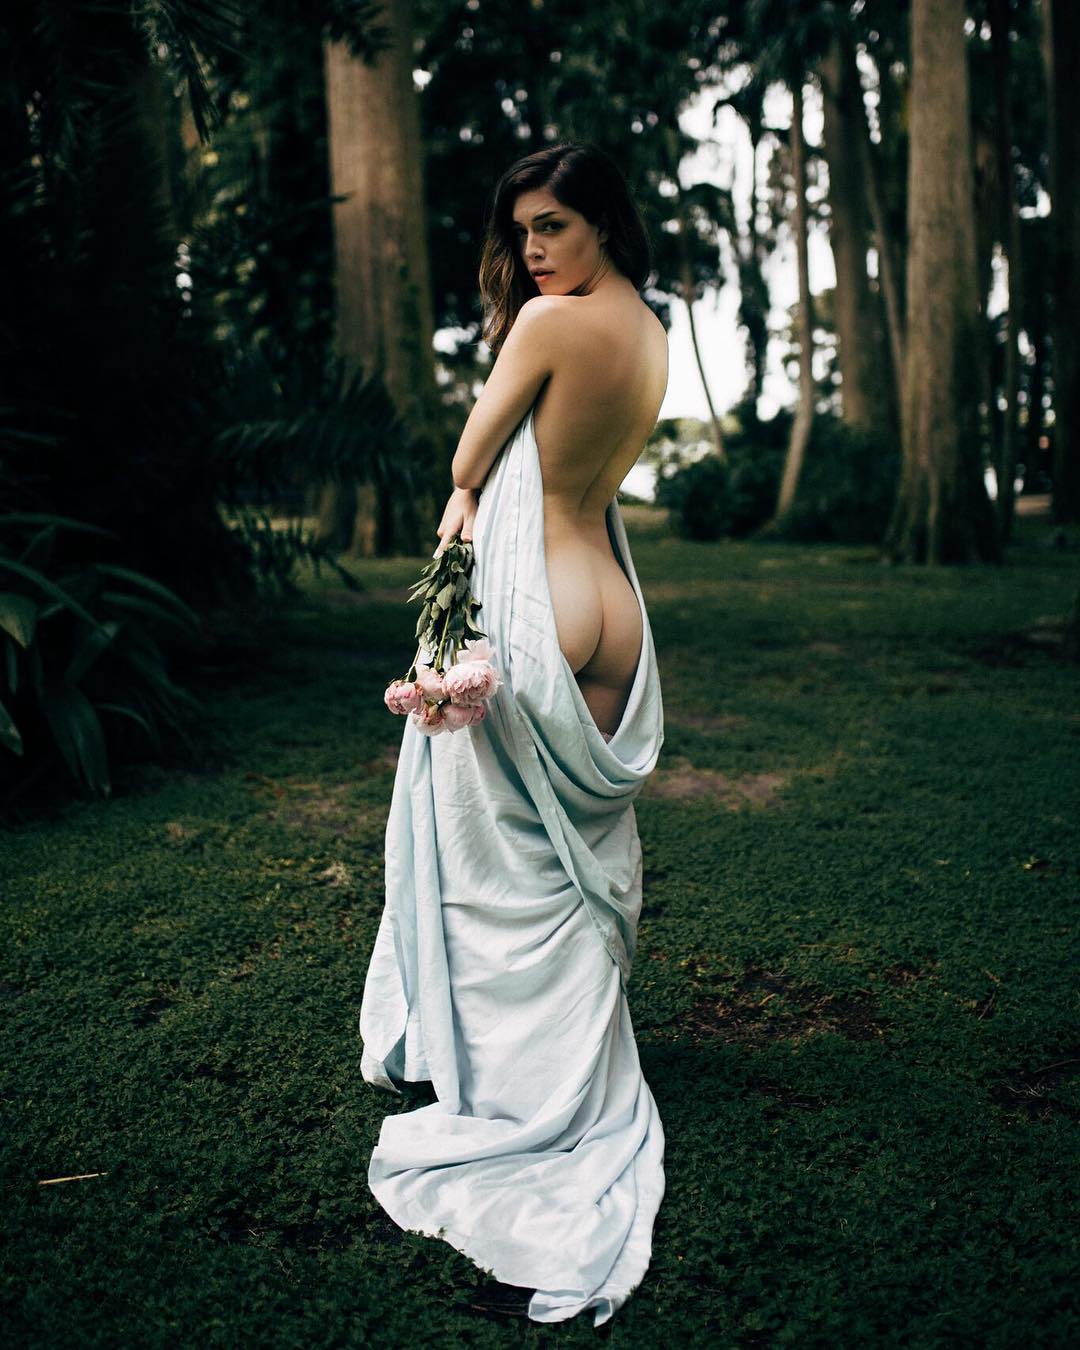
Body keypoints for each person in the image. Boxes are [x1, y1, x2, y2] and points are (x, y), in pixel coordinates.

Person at [359, 141, 669, 1325]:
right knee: (564, 861)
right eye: (523, 230)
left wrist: (458, 493)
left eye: (553, 226)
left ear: (603, 222)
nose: (533, 250)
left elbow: (470, 454)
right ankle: (570, 1064)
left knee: (498, 860)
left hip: (542, 602)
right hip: (616, 608)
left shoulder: (546, 324)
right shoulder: (650, 332)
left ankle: (527, 1091)